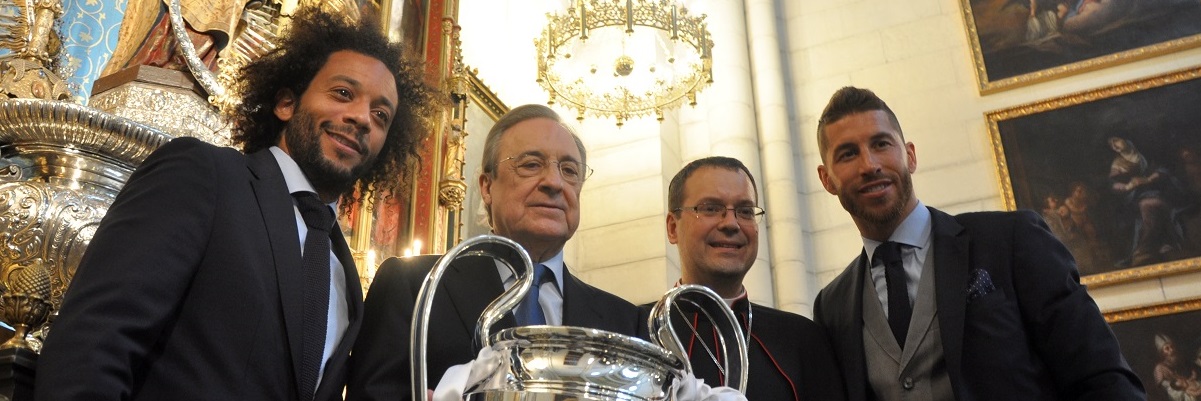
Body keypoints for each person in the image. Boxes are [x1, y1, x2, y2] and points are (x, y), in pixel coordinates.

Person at [35, 7, 438, 401]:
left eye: (381, 115)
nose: (363, 118)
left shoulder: (344, 272)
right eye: (343, 93)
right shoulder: (203, 175)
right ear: (286, 104)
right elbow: (93, 345)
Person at [811, 86, 1144, 401]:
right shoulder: (832, 306)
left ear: (910, 156)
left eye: (881, 144)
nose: (869, 165)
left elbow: (1102, 376)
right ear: (828, 179)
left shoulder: (1012, 239)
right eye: (848, 154)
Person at [345, 104, 642, 401]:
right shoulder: (414, 285)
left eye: (569, 170)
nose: (554, 182)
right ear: (487, 186)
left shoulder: (626, 322)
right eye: (531, 164)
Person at [642, 156, 846, 401]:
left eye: (745, 211)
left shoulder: (802, 340)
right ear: (673, 228)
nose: (731, 223)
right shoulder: (637, 330)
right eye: (710, 208)